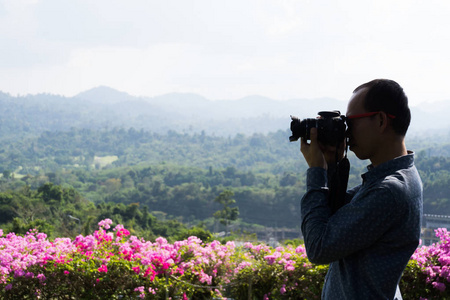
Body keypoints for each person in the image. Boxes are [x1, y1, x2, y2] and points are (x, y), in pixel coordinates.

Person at [299, 79, 423, 299]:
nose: (346, 131)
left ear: (381, 120)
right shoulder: (394, 177)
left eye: (351, 121)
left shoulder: (389, 190)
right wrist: (332, 165)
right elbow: (340, 217)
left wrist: (317, 171)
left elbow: (318, 247)